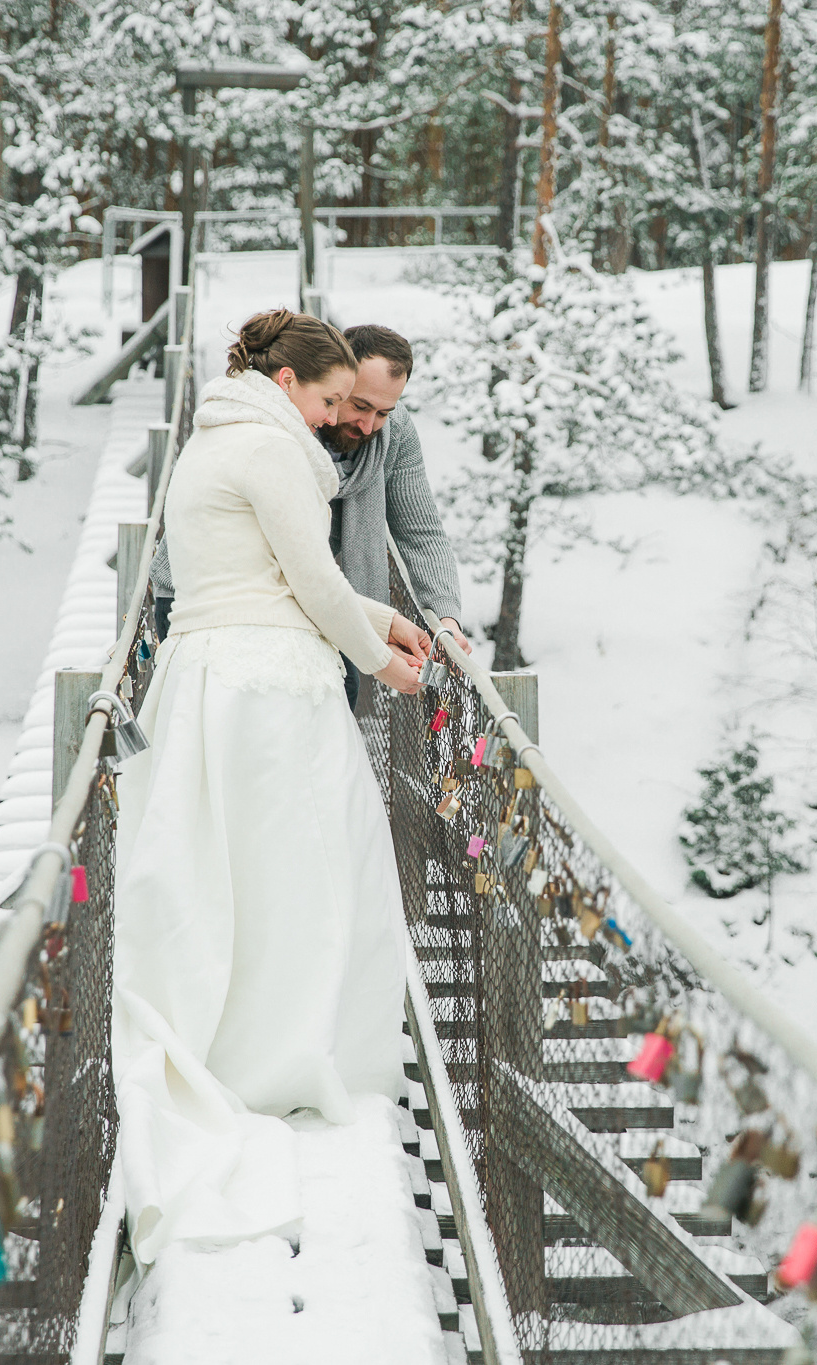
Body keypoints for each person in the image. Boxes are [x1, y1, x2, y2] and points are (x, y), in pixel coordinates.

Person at [111, 309, 432, 1263]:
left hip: (209, 674)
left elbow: (275, 572)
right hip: (267, 687)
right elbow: (313, 580)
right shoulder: (273, 448)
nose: (337, 418)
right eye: (331, 400)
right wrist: (381, 657)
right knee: (306, 875)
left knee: (227, 874)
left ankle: (241, 1046)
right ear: (288, 384)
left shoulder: (219, 437)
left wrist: (380, 616)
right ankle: (285, 1057)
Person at [318, 324, 467, 707]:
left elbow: (421, 533)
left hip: (333, 603)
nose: (368, 425)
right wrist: (381, 648)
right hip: (227, 602)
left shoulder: (395, 433)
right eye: (360, 406)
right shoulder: (290, 428)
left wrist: (446, 620)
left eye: (384, 412)